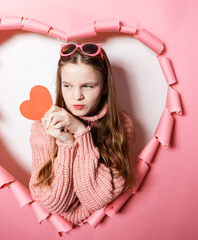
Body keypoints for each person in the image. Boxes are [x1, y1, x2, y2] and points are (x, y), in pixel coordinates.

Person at [29, 43, 136, 226]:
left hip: (112, 229)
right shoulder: (44, 126)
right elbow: (53, 203)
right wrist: (67, 143)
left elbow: (94, 199)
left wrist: (81, 132)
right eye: (68, 86)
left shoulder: (120, 125)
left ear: (104, 87)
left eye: (87, 86)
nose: (76, 96)